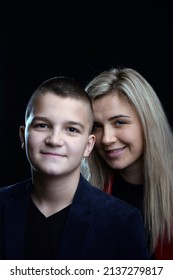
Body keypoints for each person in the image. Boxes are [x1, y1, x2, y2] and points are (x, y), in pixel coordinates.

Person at [0, 76, 149, 260]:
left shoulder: (122, 221)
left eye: (71, 129)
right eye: (42, 125)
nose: (54, 140)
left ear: (88, 145)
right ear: (23, 136)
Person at [83, 67, 173, 259]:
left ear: (148, 123)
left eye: (119, 122)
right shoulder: (83, 194)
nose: (106, 139)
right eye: (97, 126)